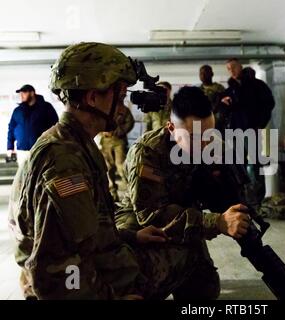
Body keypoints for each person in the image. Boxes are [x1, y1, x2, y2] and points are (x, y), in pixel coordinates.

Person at [8, 42, 197, 300]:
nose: (122, 107)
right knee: (184, 253)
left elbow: (83, 229)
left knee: (168, 243)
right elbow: (56, 271)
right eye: (118, 98)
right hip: (70, 286)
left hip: (85, 264)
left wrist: (131, 236)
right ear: (93, 97)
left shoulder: (75, 143)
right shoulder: (65, 160)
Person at [115, 86, 250, 300]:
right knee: (146, 276)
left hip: (185, 211)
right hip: (140, 217)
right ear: (171, 129)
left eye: (210, 134)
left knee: (204, 289)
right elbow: (152, 214)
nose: (205, 144)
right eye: (195, 138)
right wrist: (215, 222)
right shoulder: (148, 152)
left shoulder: (214, 146)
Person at [220, 59, 276, 208]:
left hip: (251, 130)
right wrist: (223, 104)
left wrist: (259, 124)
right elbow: (223, 112)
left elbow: (269, 104)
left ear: (240, 67)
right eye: (228, 69)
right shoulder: (229, 90)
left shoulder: (256, 86)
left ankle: (257, 200)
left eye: (233, 67)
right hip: (234, 133)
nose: (231, 71)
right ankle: (245, 201)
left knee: (254, 165)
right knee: (239, 166)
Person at [7, 84, 58, 167]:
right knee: (24, 178)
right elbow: (11, 128)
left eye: (24, 93)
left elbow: (55, 126)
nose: (21, 95)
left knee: (40, 176)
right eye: (21, 93)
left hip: (41, 150)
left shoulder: (46, 107)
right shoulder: (18, 111)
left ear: (32, 93)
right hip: (22, 152)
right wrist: (10, 147)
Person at [99, 101, 135, 201]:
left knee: (121, 166)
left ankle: (130, 192)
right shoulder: (103, 107)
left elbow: (130, 122)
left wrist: (120, 131)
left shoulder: (123, 109)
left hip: (119, 141)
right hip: (105, 141)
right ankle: (113, 195)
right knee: (108, 168)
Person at [198, 65, 225, 131]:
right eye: (201, 73)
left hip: (217, 122)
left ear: (212, 74)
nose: (203, 75)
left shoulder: (219, 88)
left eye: (205, 73)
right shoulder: (197, 91)